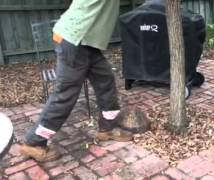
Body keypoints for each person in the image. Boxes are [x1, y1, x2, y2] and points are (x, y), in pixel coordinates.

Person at [20, 0, 133, 162]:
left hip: (87, 42)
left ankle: (107, 128)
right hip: (74, 39)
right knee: (65, 95)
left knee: (105, 81)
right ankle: (34, 142)